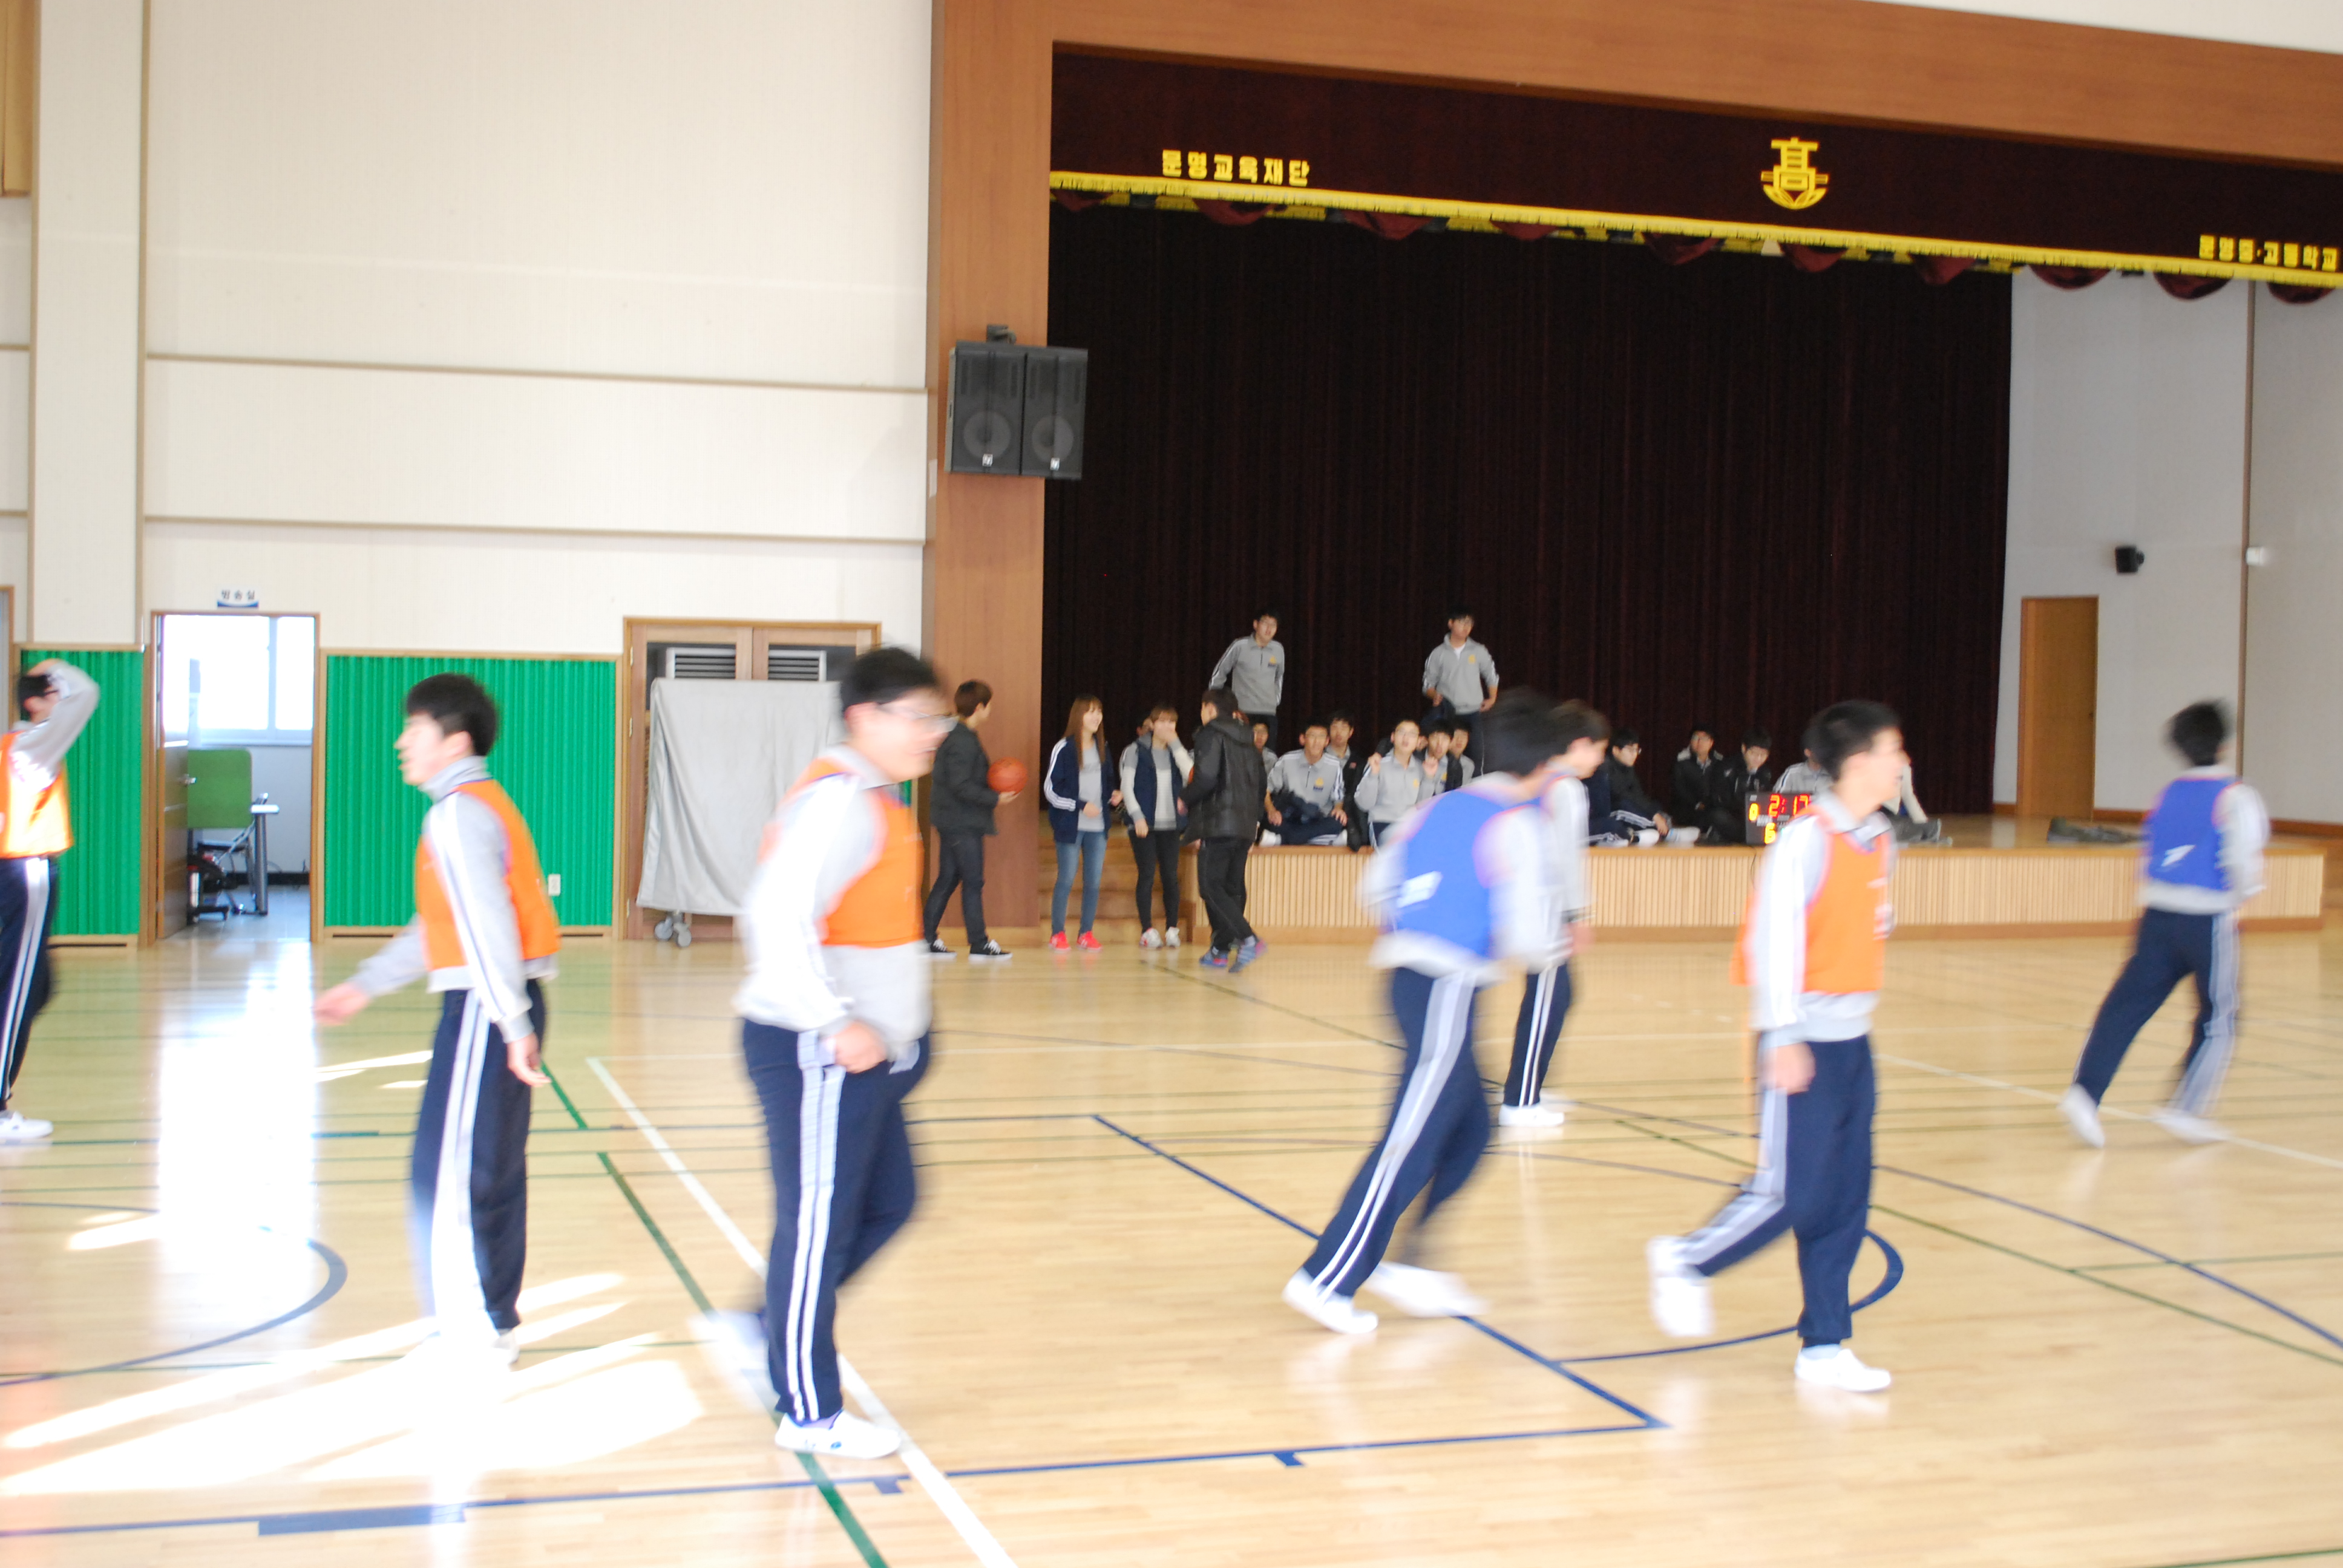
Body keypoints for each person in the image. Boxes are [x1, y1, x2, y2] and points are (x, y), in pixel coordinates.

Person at [695, 647, 945, 1460]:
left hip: (865, 1062)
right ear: (865, 718)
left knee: (889, 1203)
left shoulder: (880, 799)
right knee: (818, 1226)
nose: (932, 733)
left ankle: (763, 1325)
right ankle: (808, 1412)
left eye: (938, 719)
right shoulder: (839, 800)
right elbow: (773, 917)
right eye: (919, 717)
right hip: (817, 1052)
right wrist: (834, 1021)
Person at [1283, 693, 1569, 1333]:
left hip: (1415, 982)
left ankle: (1411, 1264)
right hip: (1445, 988)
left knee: (1472, 1130)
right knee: (1409, 1140)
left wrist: (1418, 924)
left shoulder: (1441, 805)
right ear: (1542, 764)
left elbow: (1375, 886)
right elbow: (1530, 935)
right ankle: (1325, 1278)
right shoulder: (1519, 824)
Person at [1647, 701, 1908, 1394]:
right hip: (1800, 1039)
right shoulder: (1805, 840)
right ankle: (1685, 1260)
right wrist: (1784, 1034)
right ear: (1858, 762)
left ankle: (1823, 1345)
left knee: (1845, 1196)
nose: (1902, 763)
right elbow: (1774, 941)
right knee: (1789, 1192)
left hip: (1853, 1041)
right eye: (1892, 752)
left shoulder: (1880, 836)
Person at [315, 674, 559, 1364]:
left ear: (454, 742)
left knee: (448, 1175)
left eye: (414, 730)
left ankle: (469, 1333)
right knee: (488, 1169)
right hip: (500, 1001)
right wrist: (366, 984)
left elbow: (485, 927)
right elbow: (444, 927)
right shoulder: (478, 806)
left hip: (487, 1006)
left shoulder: (456, 814)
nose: (402, 742)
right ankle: (491, 1324)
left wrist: (510, 1023)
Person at [2060, 702, 2267, 1148]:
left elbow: (2152, 848)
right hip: (2208, 920)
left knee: (2126, 1006)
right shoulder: (2236, 796)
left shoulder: (2167, 794)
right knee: (2219, 1015)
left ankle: (2085, 1092)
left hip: (2156, 918)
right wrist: (2240, 898)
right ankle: (2186, 1108)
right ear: (2226, 744)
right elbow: (2244, 861)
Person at [0, 661, 99, 1142]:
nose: (60, 703)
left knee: (34, 987)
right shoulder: (31, 746)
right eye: (52, 695)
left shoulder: (9, 746)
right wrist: (56, 668)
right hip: (26, 871)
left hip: (14, 873)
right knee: (17, 991)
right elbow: (87, 694)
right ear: (34, 702)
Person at [1502, 701, 1607, 1129]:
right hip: (1546, 911)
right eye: (1599, 749)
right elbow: (1567, 860)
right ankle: (1520, 1101)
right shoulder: (1565, 789)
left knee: (1557, 997)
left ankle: (1530, 1086)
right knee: (1547, 999)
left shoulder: (1539, 777)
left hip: (1531, 906)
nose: (1599, 759)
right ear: (1580, 745)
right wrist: (1576, 916)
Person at [923, 679, 1015, 962]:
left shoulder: (960, 735)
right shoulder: (962, 740)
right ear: (980, 707)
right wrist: (994, 798)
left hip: (954, 820)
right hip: (960, 822)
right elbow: (960, 785)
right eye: (989, 705)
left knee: (949, 878)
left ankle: (925, 940)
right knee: (973, 881)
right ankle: (979, 944)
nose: (990, 709)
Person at [1183, 687, 1267, 970]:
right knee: (1233, 887)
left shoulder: (1210, 734)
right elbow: (1261, 784)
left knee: (1210, 886)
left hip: (1219, 823)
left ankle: (1249, 939)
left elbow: (1206, 778)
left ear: (1209, 708)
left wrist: (1185, 799)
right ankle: (1220, 950)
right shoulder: (1250, 741)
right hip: (1245, 825)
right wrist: (1255, 820)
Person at [1043, 696, 1120, 952]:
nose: (1097, 717)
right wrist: (1079, 805)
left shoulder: (1103, 747)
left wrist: (1112, 796)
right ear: (1079, 716)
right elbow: (1051, 790)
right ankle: (1057, 933)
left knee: (1093, 882)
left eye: (1099, 711)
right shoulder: (1064, 748)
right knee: (1066, 878)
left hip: (1098, 827)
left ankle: (1086, 933)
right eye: (1090, 712)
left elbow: (1106, 783)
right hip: (1070, 825)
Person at [1120, 704, 1191, 949]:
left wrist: (1177, 744)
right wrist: (1137, 817)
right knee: (1148, 875)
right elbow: (1127, 787)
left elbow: (1190, 775)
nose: (1167, 727)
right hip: (1145, 824)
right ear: (1152, 724)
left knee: (1171, 877)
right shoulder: (1135, 750)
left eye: (1172, 722)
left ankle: (1172, 928)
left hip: (1171, 825)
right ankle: (1147, 930)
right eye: (1161, 721)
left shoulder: (1177, 752)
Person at [1422, 607, 1499, 766]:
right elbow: (1428, 683)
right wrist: (1434, 695)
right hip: (1448, 713)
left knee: (1477, 758)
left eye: (1470, 623)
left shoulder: (1479, 650)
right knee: (1444, 758)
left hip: (1474, 712)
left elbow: (1491, 674)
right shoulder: (1438, 653)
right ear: (1451, 623)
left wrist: (1493, 698)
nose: (1466, 627)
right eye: (1462, 622)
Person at [1354, 719, 1441, 848]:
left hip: (1410, 826)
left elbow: (1422, 807)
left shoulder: (1421, 767)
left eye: (1412, 734)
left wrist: (1429, 778)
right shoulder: (1378, 764)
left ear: (1419, 741)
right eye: (1401, 732)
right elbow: (1364, 804)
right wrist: (1373, 775)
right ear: (1393, 737)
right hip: (1382, 823)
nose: (1406, 738)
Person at [1208, 611, 1286, 750]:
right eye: (1265, 623)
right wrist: (1214, 701)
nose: (1269, 629)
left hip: (1268, 713)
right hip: (1243, 712)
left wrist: (1275, 701)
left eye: (1273, 625)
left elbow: (1279, 677)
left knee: (1267, 755)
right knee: (1239, 753)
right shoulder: (1240, 646)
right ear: (1256, 624)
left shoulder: (1278, 649)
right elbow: (1221, 671)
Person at [1266, 724, 1349, 846]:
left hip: (1319, 818)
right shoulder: (1286, 760)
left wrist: (1338, 809)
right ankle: (1324, 840)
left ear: (1327, 741)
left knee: (1337, 822)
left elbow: (1338, 797)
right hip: (1291, 817)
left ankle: (1283, 840)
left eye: (1321, 737)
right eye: (1312, 736)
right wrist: (1271, 811)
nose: (1317, 742)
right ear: (1302, 739)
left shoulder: (1335, 765)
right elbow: (1266, 790)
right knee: (1272, 822)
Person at [1594, 728, 1670, 844]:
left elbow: (1638, 794)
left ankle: (1655, 830)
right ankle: (1667, 833)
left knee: (1654, 807)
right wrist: (1654, 815)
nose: (1635, 755)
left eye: (1637, 750)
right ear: (1616, 750)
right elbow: (1623, 794)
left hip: (1623, 812)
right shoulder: (1605, 768)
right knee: (1625, 805)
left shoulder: (1628, 768)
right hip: (1609, 814)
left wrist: (1655, 812)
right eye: (1630, 750)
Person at [1673, 725, 1736, 844]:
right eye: (1696, 738)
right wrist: (1697, 804)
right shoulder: (1681, 761)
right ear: (1691, 741)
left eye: (1705, 739)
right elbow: (1679, 789)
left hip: (1712, 806)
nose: (1700, 742)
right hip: (1689, 808)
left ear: (1711, 743)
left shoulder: (1719, 761)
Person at [1326, 711, 1371, 850]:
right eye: (1335, 727)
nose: (1339, 732)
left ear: (1351, 732)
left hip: (1352, 814)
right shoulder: (1320, 757)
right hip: (1324, 811)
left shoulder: (1360, 761)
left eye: (1344, 727)